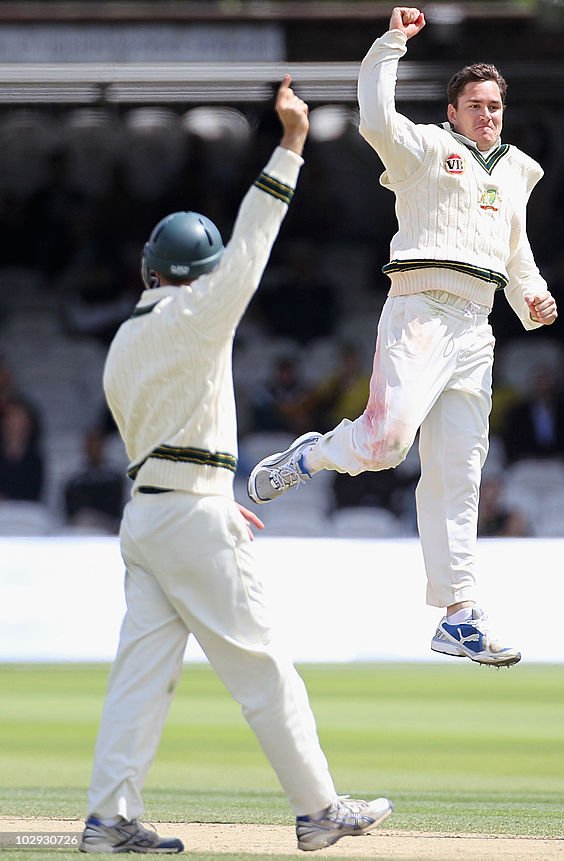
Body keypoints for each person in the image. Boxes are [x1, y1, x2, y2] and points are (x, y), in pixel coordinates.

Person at [80, 78, 391, 855]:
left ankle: (109, 818)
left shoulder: (123, 339)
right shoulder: (197, 313)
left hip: (148, 515)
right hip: (191, 516)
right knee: (265, 670)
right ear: (197, 274)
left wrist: (211, 492)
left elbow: (158, 434)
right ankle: (319, 809)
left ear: (151, 270)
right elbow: (253, 244)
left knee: (140, 678)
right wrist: (289, 146)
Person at [247, 7, 557, 668]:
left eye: (496, 106)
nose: (488, 115)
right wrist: (391, 43)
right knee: (386, 445)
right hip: (421, 311)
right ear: (452, 111)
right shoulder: (425, 148)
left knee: (458, 473)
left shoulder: (512, 171)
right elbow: (373, 116)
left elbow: (515, 248)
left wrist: (531, 297)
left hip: (477, 326)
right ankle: (314, 453)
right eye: (475, 105)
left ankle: (459, 615)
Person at [63, 427, 125, 533]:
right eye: (90, 444)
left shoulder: (114, 477)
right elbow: (70, 505)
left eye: (97, 444)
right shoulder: (75, 478)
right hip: (80, 523)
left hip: (109, 524)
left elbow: (114, 505)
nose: (94, 448)